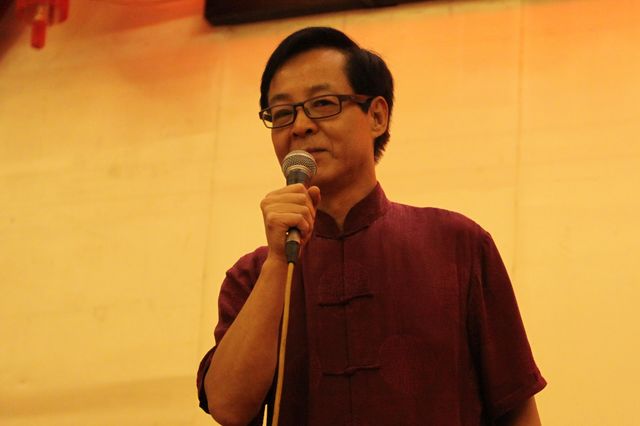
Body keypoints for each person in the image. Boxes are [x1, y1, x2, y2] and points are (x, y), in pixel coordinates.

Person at [197, 26, 546, 426]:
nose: (300, 125)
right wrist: (278, 261)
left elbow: (516, 407)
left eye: (323, 103)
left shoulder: (458, 245)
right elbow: (228, 407)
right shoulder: (253, 275)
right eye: (281, 113)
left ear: (377, 116)